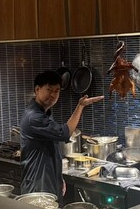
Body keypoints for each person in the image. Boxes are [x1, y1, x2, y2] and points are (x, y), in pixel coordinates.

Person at [20, 70, 103, 202]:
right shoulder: (34, 117)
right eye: (49, 90)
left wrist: (58, 178)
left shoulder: (44, 113)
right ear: (37, 89)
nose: (53, 95)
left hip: (48, 181)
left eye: (57, 91)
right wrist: (80, 106)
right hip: (38, 185)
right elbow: (64, 133)